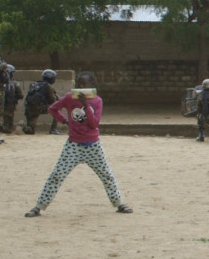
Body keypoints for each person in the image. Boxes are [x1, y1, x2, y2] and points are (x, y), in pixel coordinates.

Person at [25, 71, 132, 217]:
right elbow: (53, 108)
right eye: (79, 84)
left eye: (84, 84)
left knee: (106, 175)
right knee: (57, 174)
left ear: (92, 85)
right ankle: (39, 206)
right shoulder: (69, 98)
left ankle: (119, 203)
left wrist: (86, 105)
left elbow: (94, 124)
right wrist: (65, 121)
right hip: (74, 144)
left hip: (93, 145)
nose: (81, 87)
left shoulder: (97, 101)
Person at [22, 69, 61, 135]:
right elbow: (53, 101)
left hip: (29, 109)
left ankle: (23, 126)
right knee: (58, 107)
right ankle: (53, 129)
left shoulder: (34, 84)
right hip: (39, 108)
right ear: (51, 78)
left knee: (30, 130)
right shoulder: (48, 86)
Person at [0, 65, 23, 133]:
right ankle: (7, 128)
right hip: (10, 104)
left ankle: (1, 127)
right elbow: (20, 95)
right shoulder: (14, 83)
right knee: (9, 118)